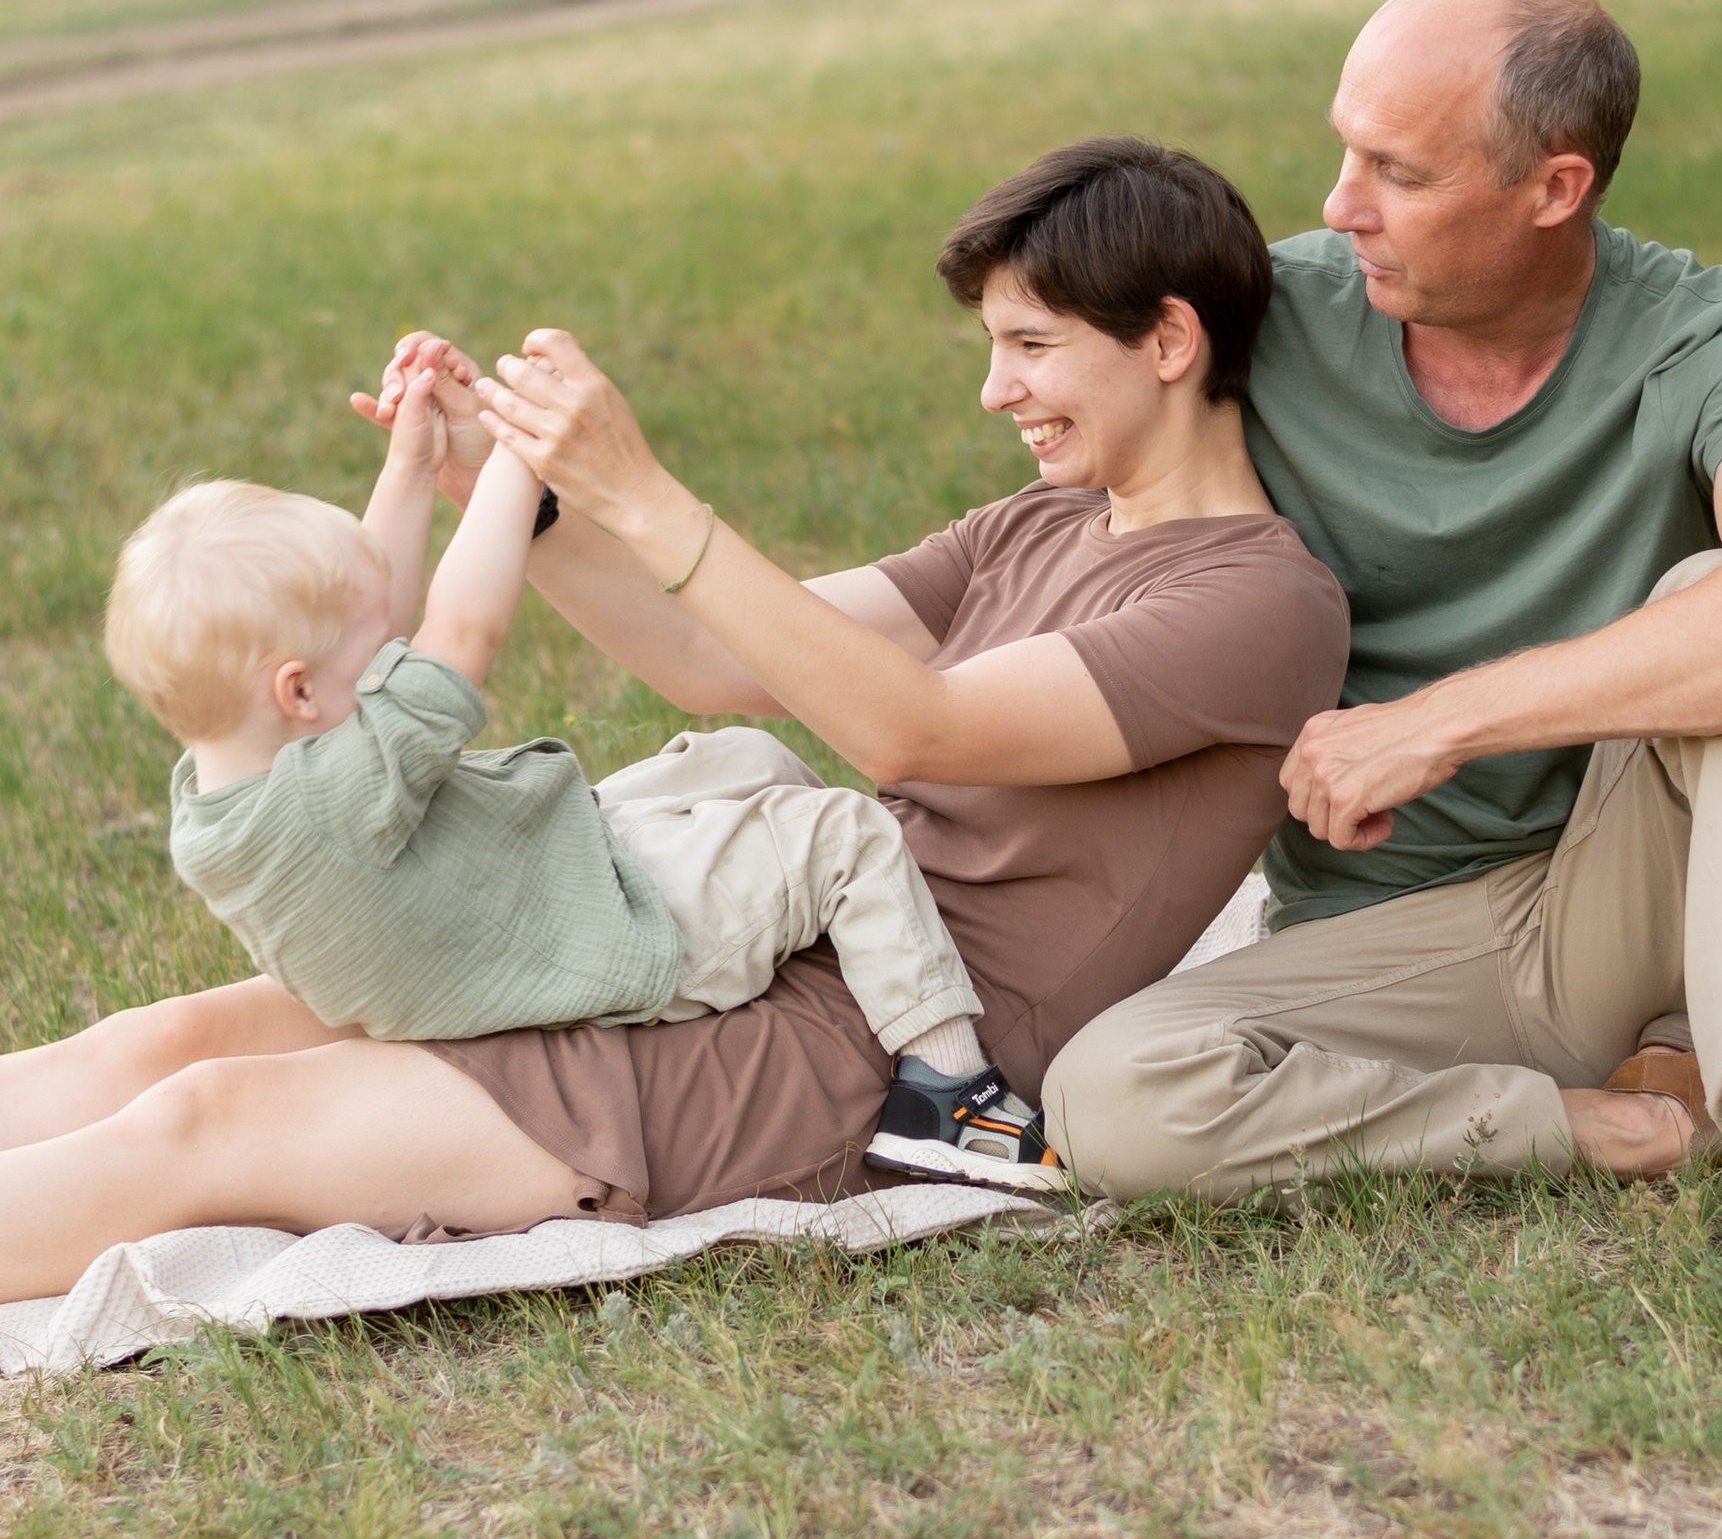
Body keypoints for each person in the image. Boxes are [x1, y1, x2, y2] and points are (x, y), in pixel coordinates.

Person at [0, 137, 1357, 1322]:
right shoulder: (1037, 522)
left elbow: (908, 726)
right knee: (166, 1041)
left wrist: (651, 491)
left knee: (213, 1121)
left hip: (857, 1048)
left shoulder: (1256, 602)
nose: (992, 389)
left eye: (1032, 347)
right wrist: (528, 485)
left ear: (1166, 338)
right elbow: (708, 655)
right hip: (698, 935)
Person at [1044, 0, 1722, 1353]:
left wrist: (1443, 718)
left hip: (1621, 884)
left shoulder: (1707, 335)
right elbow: (1044, 501)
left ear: (1553, 186)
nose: (1337, 203)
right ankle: (1618, 1120)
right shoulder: (1279, 318)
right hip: (1392, 940)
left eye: (1397, 169)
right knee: (1107, 1094)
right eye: (1343, 148)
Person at [104, 367, 1049, 1190]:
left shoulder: (228, 783)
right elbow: (461, 628)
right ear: (300, 688)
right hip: (599, 939)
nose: (390, 645)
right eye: (370, 647)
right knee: (844, 833)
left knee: (744, 761)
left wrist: (410, 463)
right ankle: (950, 1096)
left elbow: (368, 603)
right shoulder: (337, 796)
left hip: (535, 885)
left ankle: (817, 926)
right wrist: (519, 456)